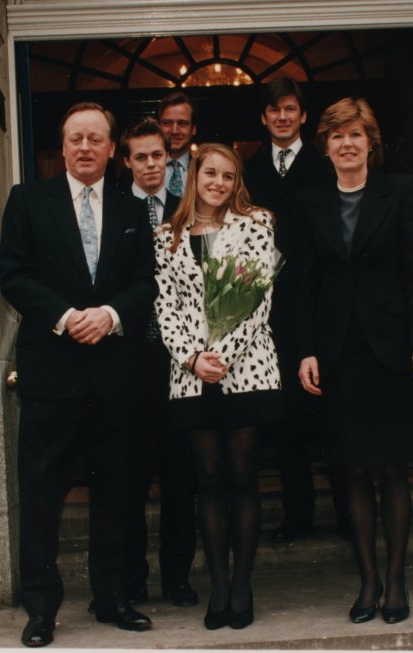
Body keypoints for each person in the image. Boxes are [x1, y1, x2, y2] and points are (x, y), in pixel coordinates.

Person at [0, 102, 156, 647]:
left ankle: (112, 597)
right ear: (61, 148)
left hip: (115, 377)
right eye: (75, 139)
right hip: (52, 376)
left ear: (113, 150)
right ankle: (41, 608)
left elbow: (145, 282)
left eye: (95, 139)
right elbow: (13, 276)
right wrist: (68, 319)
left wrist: (109, 316)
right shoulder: (28, 201)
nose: (85, 147)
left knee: (117, 491)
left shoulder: (133, 210)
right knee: (41, 495)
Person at [292, 97, 413, 625]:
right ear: (325, 146)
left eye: (356, 135)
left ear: (370, 142)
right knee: (351, 470)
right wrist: (306, 348)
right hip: (338, 354)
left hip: (392, 351)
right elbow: (303, 284)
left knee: (392, 469)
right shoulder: (310, 201)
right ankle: (368, 582)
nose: (347, 144)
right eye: (337, 136)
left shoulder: (398, 191)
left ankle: (396, 582)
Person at [154, 143, 282, 630]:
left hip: (245, 371)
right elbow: (165, 307)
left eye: (228, 176)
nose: (218, 183)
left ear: (237, 182)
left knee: (242, 478)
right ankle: (220, 588)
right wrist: (192, 358)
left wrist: (221, 357)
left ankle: (243, 587)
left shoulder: (257, 223)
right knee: (207, 483)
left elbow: (257, 298)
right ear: (194, 176)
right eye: (210, 173)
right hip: (190, 376)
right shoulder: (166, 235)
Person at [244, 76, 341, 544]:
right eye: (273, 110)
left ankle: (348, 516)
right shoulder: (250, 168)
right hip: (273, 314)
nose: (281, 116)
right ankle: (297, 515)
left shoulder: (326, 165)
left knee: (334, 414)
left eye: (290, 109)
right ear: (263, 118)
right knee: (285, 425)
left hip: (325, 307)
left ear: (303, 116)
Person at [118, 117, 199, 608]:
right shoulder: (113, 211)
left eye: (159, 157)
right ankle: (132, 579)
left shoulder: (185, 210)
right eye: (142, 157)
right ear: (126, 161)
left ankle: (177, 578)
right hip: (129, 362)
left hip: (179, 364)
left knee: (180, 476)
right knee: (129, 478)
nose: (151, 165)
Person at [157, 92, 198, 197]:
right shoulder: (135, 172)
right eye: (167, 123)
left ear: (193, 129)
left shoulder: (202, 169)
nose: (174, 131)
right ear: (158, 127)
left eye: (182, 123)